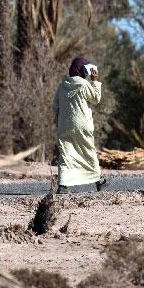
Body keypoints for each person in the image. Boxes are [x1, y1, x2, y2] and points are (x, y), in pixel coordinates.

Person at [53, 57, 105, 193]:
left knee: (66, 154)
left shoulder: (62, 85)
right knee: (88, 151)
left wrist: (57, 122)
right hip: (83, 125)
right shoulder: (83, 83)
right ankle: (98, 182)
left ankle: (63, 186)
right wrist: (94, 81)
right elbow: (95, 99)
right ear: (82, 70)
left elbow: (55, 106)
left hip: (65, 125)